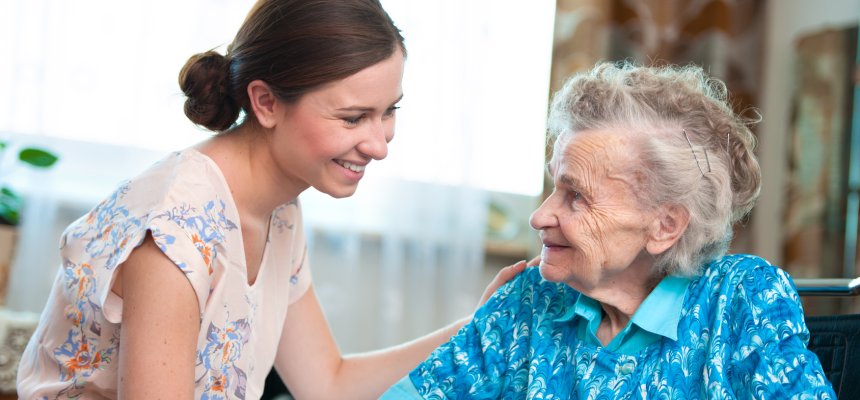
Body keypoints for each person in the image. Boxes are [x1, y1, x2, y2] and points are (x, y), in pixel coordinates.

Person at [16, 0, 526, 398]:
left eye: (388, 111)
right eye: (352, 118)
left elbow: (328, 384)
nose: (378, 144)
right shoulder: (175, 229)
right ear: (265, 102)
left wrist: (479, 329)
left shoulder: (278, 206)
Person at [382, 61, 837, 399]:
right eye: (553, 188)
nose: (539, 217)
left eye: (576, 195)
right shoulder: (531, 297)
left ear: (665, 226)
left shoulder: (741, 300)